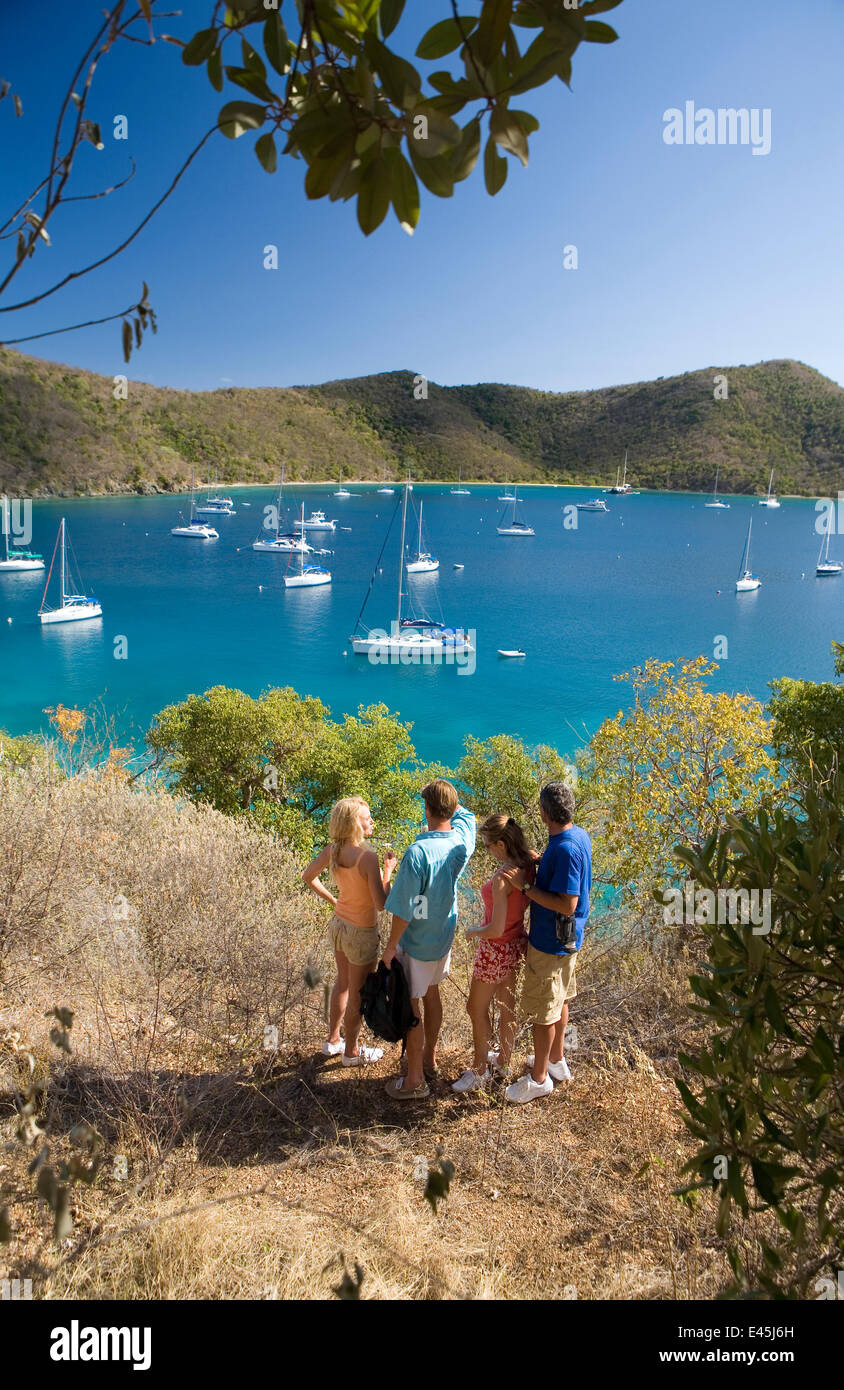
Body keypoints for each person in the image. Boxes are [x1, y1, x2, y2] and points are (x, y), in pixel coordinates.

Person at [381, 780, 476, 1100]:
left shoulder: (418, 852)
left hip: (418, 942)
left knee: (411, 1006)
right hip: (442, 937)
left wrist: (391, 946)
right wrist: (452, 803)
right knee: (432, 994)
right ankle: (429, 1057)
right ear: (449, 809)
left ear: (426, 809)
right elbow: (469, 817)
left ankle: (414, 1081)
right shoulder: (460, 843)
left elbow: (404, 910)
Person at [501, 782, 591, 1106]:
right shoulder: (575, 836)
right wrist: (541, 861)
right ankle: (555, 1060)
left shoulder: (564, 848)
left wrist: (523, 886)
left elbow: (567, 902)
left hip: (551, 943)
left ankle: (539, 1079)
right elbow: (566, 873)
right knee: (560, 1000)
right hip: (567, 940)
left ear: (543, 813)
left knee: (543, 1013)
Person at [303, 796, 397, 1066]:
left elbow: (308, 876)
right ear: (356, 823)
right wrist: (387, 873)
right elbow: (381, 904)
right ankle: (351, 1053)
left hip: (339, 925)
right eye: (367, 818)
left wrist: (334, 901)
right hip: (361, 932)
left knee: (342, 984)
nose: (372, 822)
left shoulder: (333, 849)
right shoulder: (367, 857)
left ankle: (333, 1041)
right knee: (358, 992)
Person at [452, 814, 536, 1093]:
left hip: (496, 949)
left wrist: (474, 931)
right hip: (515, 945)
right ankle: (504, 1061)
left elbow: (496, 927)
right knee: (506, 1008)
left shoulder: (503, 878)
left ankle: (478, 1070)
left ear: (500, 844)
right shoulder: (530, 863)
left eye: (488, 846)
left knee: (475, 1008)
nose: (487, 851)